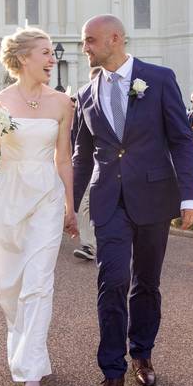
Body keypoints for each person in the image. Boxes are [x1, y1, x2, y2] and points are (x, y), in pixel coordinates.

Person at [72, 14, 193, 386]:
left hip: (154, 197)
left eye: (90, 41)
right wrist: (69, 206)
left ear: (115, 39)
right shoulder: (85, 93)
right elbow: (81, 155)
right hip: (108, 199)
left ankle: (141, 353)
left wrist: (190, 196)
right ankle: (112, 371)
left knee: (146, 282)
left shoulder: (158, 78)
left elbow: (181, 139)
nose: (85, 48)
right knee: (112, 279)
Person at [0, 27, 77, 386]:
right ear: (23, 59)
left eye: (53, 53)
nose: (53, 59)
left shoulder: (63, 103)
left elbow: (63, 158)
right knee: (10, 287)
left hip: (46, 198)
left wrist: (70, 207)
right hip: (8, 195)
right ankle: (21, 344)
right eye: (46, 53)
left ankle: (32, 372)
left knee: (38, 283)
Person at [72, 66, 103, 262]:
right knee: (86, 203)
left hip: (113, 164)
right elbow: (77, 135)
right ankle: (89, 245)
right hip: (89, 164)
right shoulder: (83, 99)